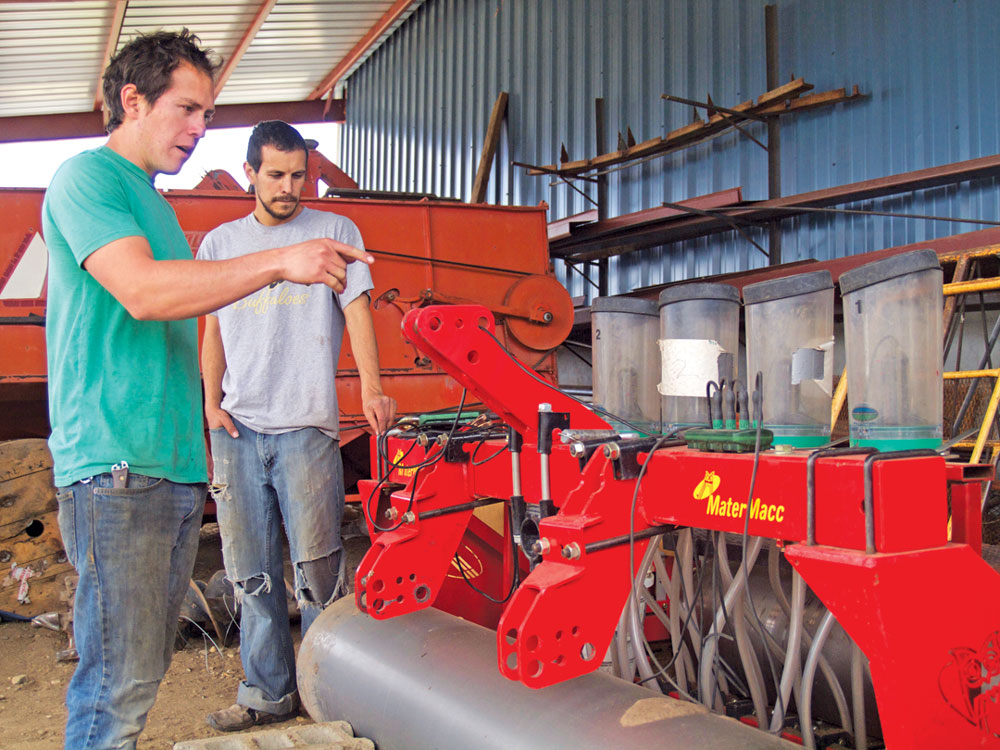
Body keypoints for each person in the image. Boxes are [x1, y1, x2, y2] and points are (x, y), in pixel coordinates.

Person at [43, 31, 373, 750]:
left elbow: (198, 315)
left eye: (207, 112)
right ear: (132, 100)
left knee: (139, 671)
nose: (201, 128)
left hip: (168, 465)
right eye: (188, 109)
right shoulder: (88, 180)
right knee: (116, 682)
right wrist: (280, 260)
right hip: (115, 462)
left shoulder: (153, 204)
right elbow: (142, 292)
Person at [198, 121, 395, 732]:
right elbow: (211, 328)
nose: (288, 187)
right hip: (237, 428)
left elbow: (356, 308)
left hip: (308, 426)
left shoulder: (335, 231)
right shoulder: (219, 244)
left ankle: (324, 697)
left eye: (298, 175)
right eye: (275, 175)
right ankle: (266, 694)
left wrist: (371, 386)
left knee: (319, 572)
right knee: (251, 571)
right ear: (250, 171)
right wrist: (211, 402)